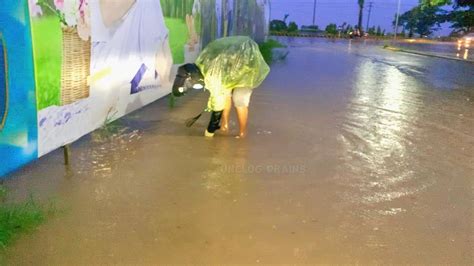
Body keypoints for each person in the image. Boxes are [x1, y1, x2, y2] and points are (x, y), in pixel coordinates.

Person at [172, 36, 270, 138]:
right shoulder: (203, 65)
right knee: (225, 94)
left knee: (239, 99)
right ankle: (224, 126)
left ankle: (242, 133)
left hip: (247, 70)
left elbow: (217, 103)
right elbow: (217, 95)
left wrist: (210, 129)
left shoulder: (212, 76)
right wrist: (211, 106)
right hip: (228, 70)